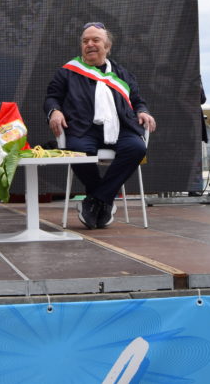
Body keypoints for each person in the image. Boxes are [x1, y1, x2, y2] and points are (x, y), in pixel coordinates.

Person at [44, 22, 157, 229]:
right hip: (83, 129)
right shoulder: (67, 72)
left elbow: (137, 100)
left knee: (136, 148)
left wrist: (143, 111)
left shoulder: (122, 74)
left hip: (121, 128)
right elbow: (52, 97)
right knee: (78, 151)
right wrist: (55, 111)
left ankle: (95, 201)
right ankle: (104, 200)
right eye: (85, 41)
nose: (89, 44)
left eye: (95, 40)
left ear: (107, 46)